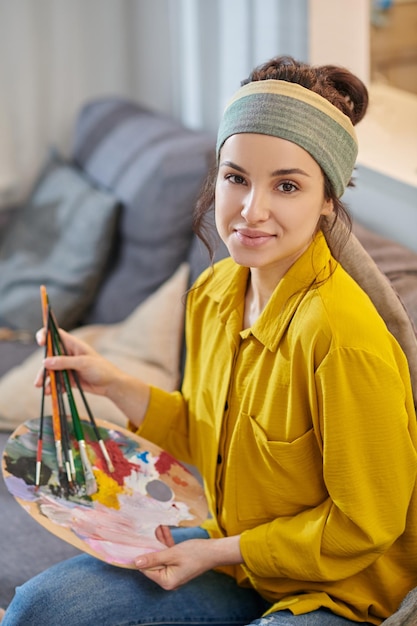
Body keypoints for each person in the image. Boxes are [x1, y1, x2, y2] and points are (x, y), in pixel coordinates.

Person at [3, 55, 417, 626]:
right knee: (39, 610)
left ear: (328, 200)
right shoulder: (217, 291)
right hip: (238, 558)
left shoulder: (343, 341)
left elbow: (367, 524)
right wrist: (116, 384)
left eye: (287, 185)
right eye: (236, 177)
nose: (252, 210)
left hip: (338, 592)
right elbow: (210, 438)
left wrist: (214, 550)